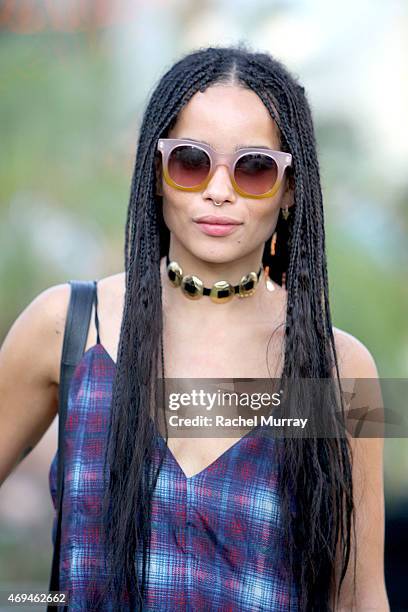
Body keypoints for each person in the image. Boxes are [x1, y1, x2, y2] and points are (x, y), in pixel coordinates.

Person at [0, 44, 389, 611]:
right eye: (191, 161)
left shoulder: (339, 370)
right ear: (157, 174)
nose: (219, 189)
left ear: (290, 191)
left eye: (254, 168)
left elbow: (358, 598)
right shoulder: (69, 329)